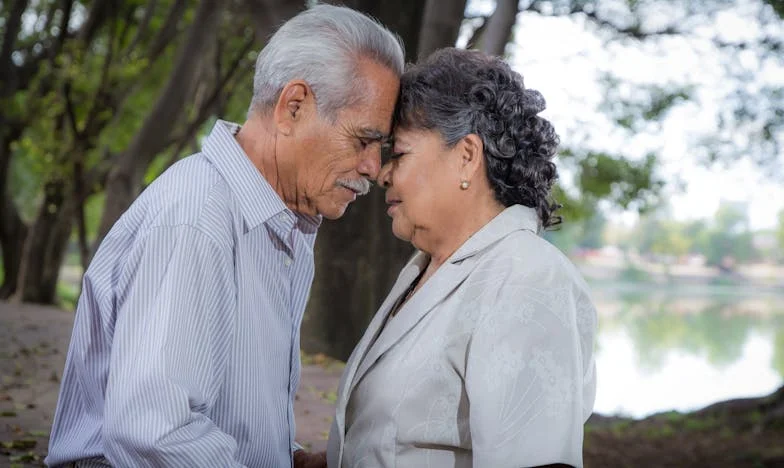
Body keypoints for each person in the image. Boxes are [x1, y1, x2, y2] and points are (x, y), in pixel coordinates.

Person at [45, 5, 403, 468]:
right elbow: (156, 437)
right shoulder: (198, 220)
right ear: (293, 107)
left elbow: (215, 412)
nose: (374, 168)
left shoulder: (282, 228)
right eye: (363, 140)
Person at [327, 48, 597, 468]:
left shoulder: (527, 278)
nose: (382, 173)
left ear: (467, 156)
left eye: (398, 153)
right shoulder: (429, 269)